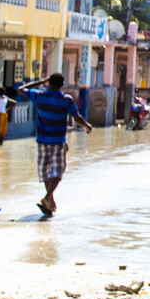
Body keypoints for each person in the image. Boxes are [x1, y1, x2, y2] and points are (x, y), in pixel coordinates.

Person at [28, 73, 92, 217]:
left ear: (49, 83)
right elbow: (77, 118)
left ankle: (50, 202)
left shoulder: (39, 96)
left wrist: (40, 81)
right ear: (62, 85)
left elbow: (21, 89)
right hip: (57, 142)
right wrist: (88, 126)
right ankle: (47, 197)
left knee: (46, 172)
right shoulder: (66, 100)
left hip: (42, 141)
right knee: (58, 171)